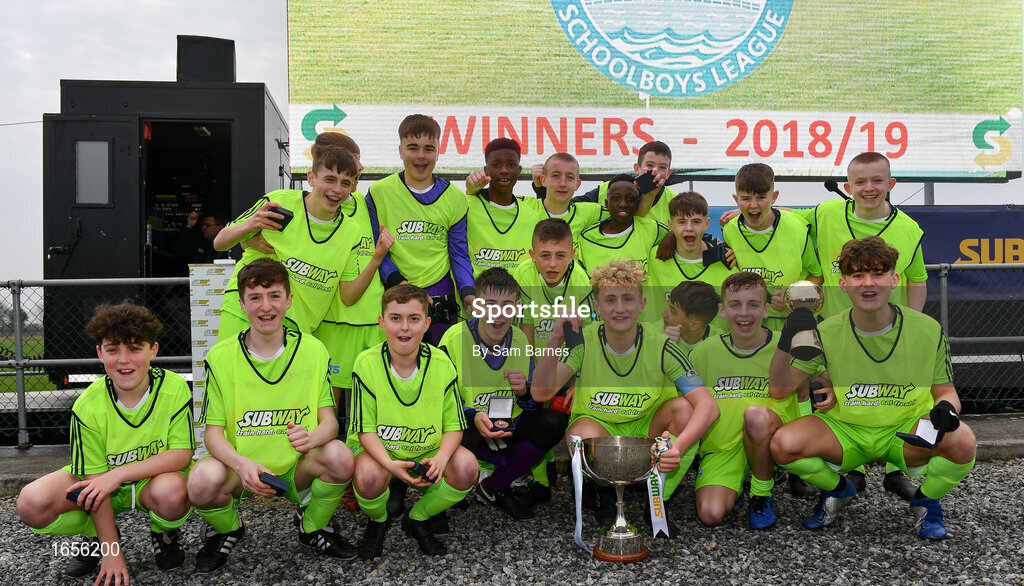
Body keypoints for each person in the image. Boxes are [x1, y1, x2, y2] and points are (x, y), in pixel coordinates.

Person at [769, 237, 976, 538]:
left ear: (894, 280)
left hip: (905, 429)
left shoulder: (927, 329)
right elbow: (780, 389)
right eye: (858, 275)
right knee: (783, 445)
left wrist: (945, 408)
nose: (869, 283)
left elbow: (946, 391)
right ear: (843, 284)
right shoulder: (823, 332)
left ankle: (926, 499)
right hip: (847, 429)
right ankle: (839, 490)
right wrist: (788, 337)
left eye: (878, 273)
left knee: (964, 441)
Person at [188, 258, 357, 572]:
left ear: (289, 300)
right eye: (255, 297)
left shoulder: (313, 350)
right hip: (242, 470)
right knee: (200, 481)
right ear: (242, 304)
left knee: (341, 457)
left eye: (275, 295)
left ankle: (313, 526)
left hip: (295, 468)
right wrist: (242, 464)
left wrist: (311, 438)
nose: (266, 306)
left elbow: (330, 423)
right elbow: (212, 435)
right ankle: (228, 529)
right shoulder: (221, 356)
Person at [533, 259, 719, 530]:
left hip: (646, 429)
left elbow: (709, 407)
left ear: (641, 305)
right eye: (610, 300)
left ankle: (658, 502)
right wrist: (554, 340)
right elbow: (540, 392)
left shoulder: (662, 345)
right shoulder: (584, 341)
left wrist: (677, 446)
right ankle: (605, 495)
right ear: (596, 306)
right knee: (580, 436)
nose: (619, 308)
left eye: (628, 299)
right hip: (601, 425)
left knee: (686, 410)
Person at [17, 302, 193, 582]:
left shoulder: (174, 387)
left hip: (151, 482)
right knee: (31, 502)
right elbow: (95, 483)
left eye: (135, 348)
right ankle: (96, 537)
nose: (124, 360)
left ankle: (164, 531)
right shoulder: (87, 405)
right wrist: (113, 553)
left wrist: (118, 474)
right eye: (113, 350)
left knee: (174, 492)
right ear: (100, 353)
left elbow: (182, 454)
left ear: (153, 350)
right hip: (100, 485)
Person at [349, 284, 478, 558]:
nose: (404, 328)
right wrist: (388, 465)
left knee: (467, 466)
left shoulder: (442, 362)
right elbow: (364, 430)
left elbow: (454, 424)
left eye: (414, 319)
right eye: (395, 318)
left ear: (427, 323)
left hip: (428, 448)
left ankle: (417, 518)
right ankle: (378, 520)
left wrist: (442, 458)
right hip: (383, 450)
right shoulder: (365, 363)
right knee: (368, 476)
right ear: (382, 322)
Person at [213, 143, 391, 343]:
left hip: (298, 329)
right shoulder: (280, 202)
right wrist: (249, 226)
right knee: (233, 373)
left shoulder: (351, 230)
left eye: (345, 183)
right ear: (311, 178)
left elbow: (348, 297)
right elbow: (220, 242)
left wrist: (377, 258)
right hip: (245, 312)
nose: (336, 190)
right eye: (330, 179)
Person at [439, 268, 568, 519]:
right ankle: (447, 490)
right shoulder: (453, 339)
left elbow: (533, 405)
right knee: (458, 433)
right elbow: (437, 403)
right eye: (490, 304)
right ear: (476, 306)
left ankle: (495, 486)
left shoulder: (519, 338)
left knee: (553, 422)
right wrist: (472, 415)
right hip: (468, 428)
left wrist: (524, 393)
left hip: (508, 425)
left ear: (517, 308)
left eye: (507, 305)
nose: (498, 314)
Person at [687, 272, 799, 529]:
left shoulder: (784, 349)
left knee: (756, 416)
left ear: (767, 309)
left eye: (753, 304)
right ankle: (738, 483)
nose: (744, 313)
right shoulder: (704, 352)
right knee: (710, 514)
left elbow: (812, 382)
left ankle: (762, 493)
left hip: (772, 440)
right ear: (722, 311)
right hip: (724, 447)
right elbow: (685, 401)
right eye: (735, 305)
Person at [366, 114, 476, 345]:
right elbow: (376, 250)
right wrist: (403, 286)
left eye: (428, 149)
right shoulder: (379, 192)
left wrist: (468, 293)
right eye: (413, 148)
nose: (421, 156)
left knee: (442, 362)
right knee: (398, 361)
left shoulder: (454, 198)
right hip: (397, 288)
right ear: (400, 150)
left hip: (440, 291)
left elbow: (458, 253)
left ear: (438, 151)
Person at [722, 163, 822, 331]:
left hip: (792, 323)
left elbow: (817, 275)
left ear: (774, 197)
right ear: (736, 199)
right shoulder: (729, 230)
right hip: (749, 324)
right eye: (746, 199)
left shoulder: (797, 228)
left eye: (761, 197)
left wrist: (793, 297)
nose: (753, 205)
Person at [644, 191, 737, 326]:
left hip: (712, 346)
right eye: (682, 222)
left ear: (707, 223)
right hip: (665, 344)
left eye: (696, 222)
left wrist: (741, 211)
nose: (689, 228)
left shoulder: (726, 260)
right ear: (671, 225)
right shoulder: (654, 257)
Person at [463, 138, 545, 276]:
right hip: (475, 296)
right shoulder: (466, 206)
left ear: (519, 170)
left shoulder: (532, 216)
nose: (504, 170)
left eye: (511, 164)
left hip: (518, 297)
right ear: (486, 170)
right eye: (496, 164)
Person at [577, 174, 667, 275]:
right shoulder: (587, 237)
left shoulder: (652, 229)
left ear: (638, 203)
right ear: (607, 203)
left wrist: (671, 237)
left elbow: (681, 236)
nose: (623, 204)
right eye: (616, 198)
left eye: (630, 199)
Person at [523, 152, 604, 252]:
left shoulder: (591, 213)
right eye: (556, 176)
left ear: (577, 184)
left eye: (570, 177)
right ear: (543, 180)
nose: (562, 183)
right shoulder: (524, 207)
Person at [660, 281, 722, 358]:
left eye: (672, 311)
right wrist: (662, 348)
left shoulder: (720, 344)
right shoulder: (655, 333)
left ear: (694, 325)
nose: (664, 313)